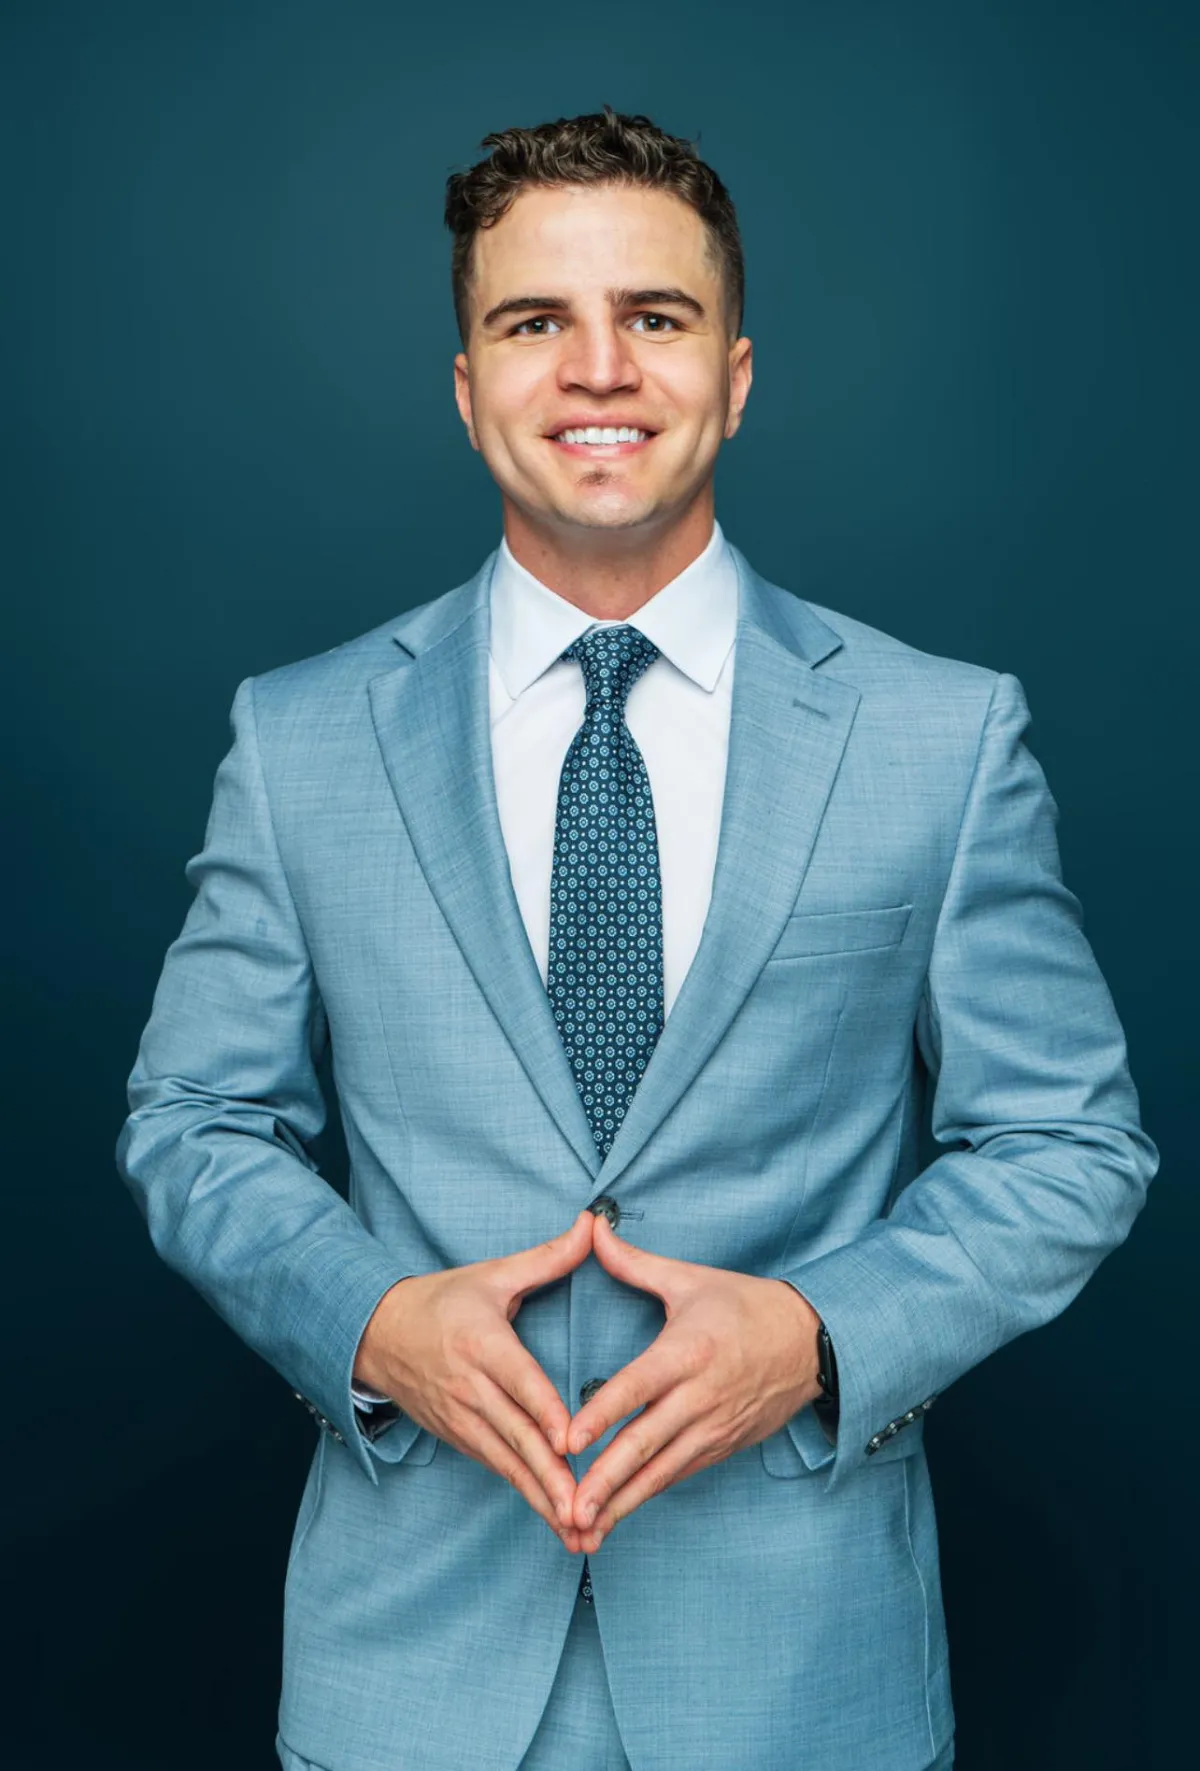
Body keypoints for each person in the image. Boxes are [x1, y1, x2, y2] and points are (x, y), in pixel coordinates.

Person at [116, 105, 1158, 1771]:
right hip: (409, 1679)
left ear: (734, 375)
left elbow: (1068, 1142)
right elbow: (195, 1122)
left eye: (653, 318)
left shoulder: (940, 736)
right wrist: (371, 1321)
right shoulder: (299, 740)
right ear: (468, 391)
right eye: (535, 322)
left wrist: (821, 1336)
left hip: (808, 1676)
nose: (598, 369)